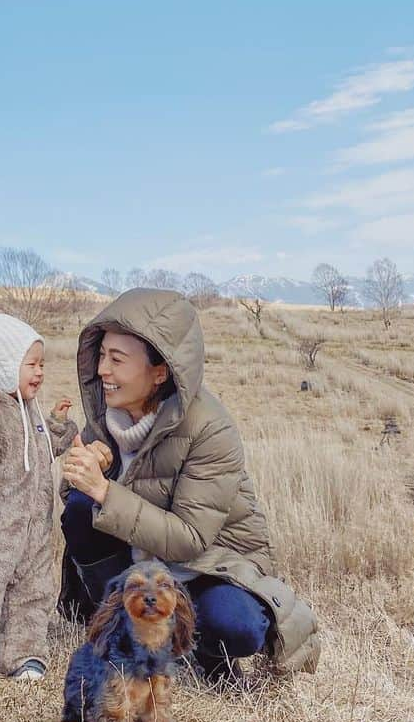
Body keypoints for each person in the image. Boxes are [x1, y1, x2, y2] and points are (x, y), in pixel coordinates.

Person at [59, 288, 320, 683]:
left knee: (237, 625)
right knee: (79, 508)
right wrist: (94, 470)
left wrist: (106, 490)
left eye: (117, 359)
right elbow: (83, 504)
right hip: (142, 563)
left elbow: (190, 538)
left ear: (160, 371)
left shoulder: (210, 428)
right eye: (101, 356)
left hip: (208, 566)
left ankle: (208, 651)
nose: (102, 371)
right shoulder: (108, 416)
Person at [0, 297, 110, 687]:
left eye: (41, 363)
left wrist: (58, 425)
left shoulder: (25, 407)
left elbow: (39, 445)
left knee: (33, 594)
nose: (40, 372)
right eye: (32, 364)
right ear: (2, 364)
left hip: (33, 528)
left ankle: (25, 653)